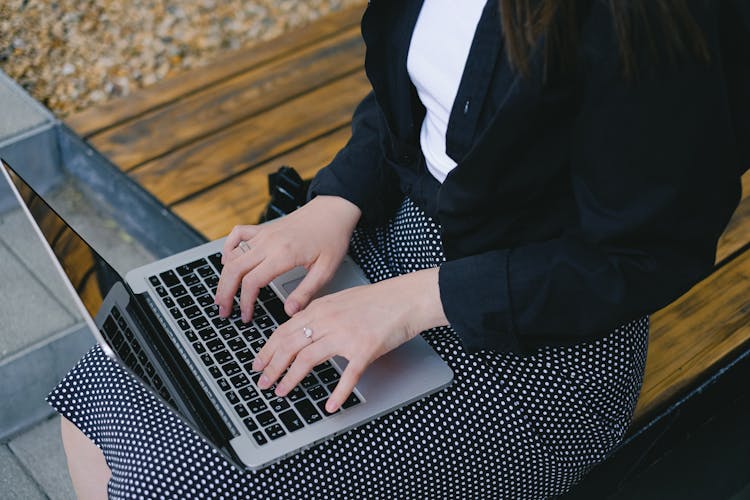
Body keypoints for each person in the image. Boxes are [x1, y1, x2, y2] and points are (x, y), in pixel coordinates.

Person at [53, 0, 748, 498]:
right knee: (109, 376)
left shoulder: (655, 16)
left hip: (542, 352)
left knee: (172, 482)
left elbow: (647, 253)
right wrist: (333, 203)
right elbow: (411, 101)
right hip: (394, 245)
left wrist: (414, 300)